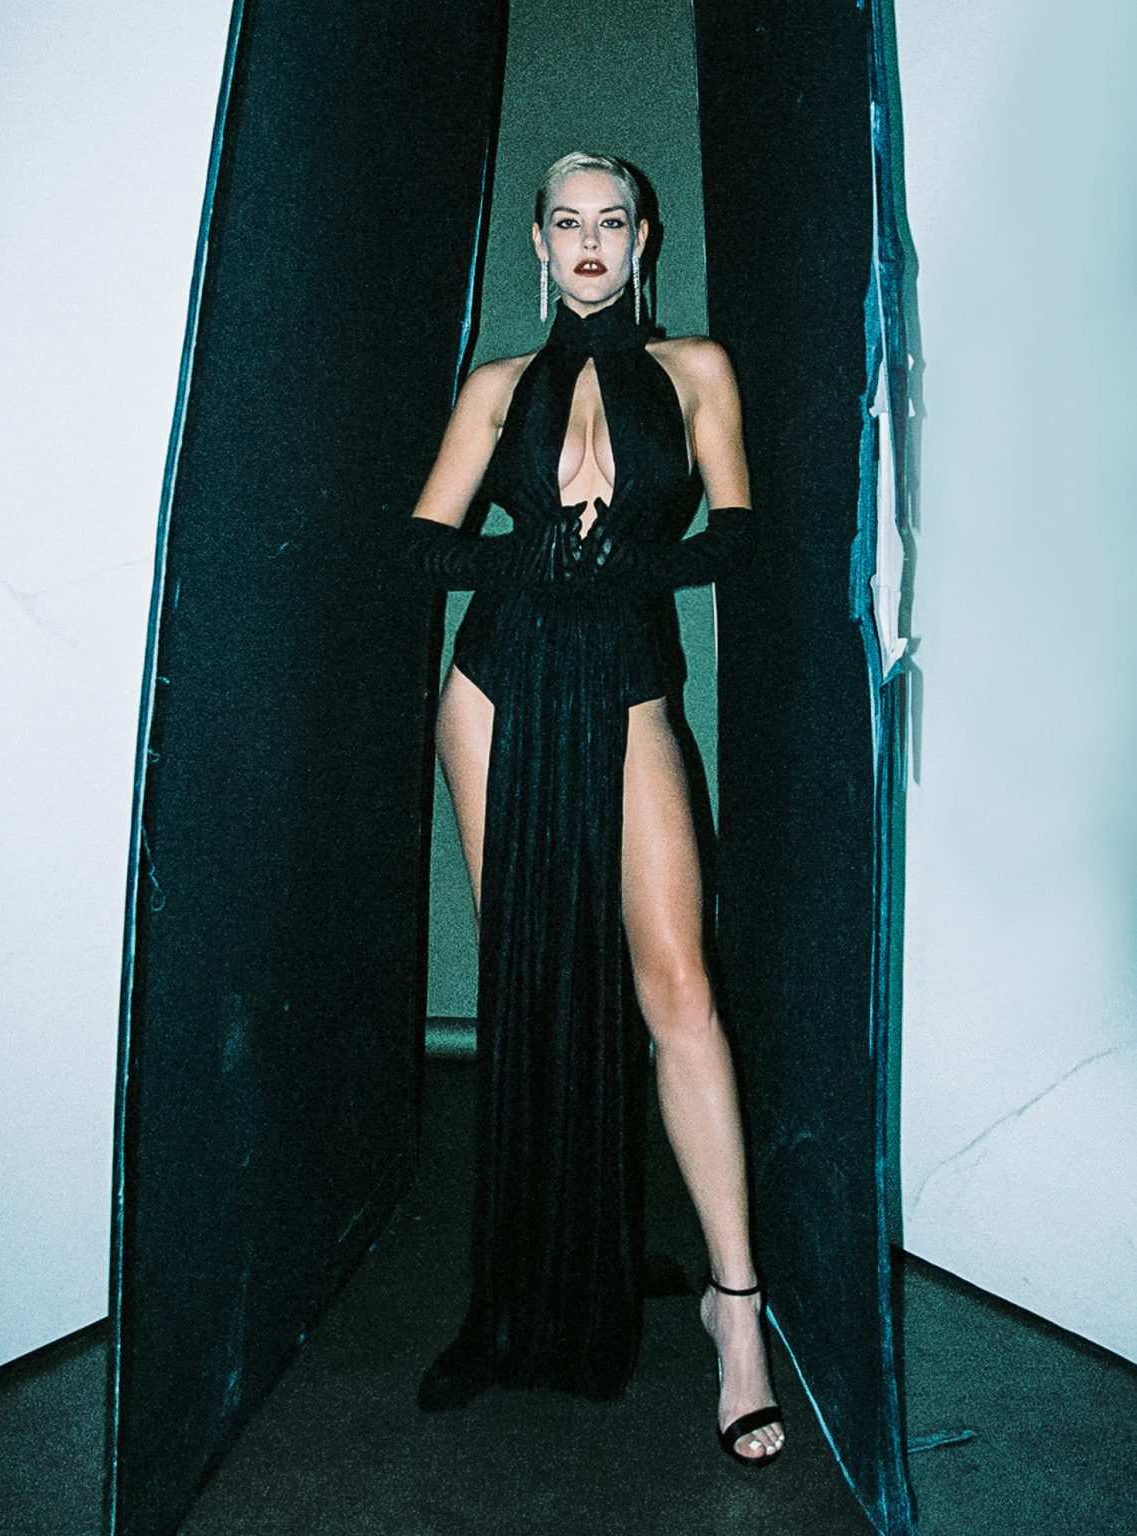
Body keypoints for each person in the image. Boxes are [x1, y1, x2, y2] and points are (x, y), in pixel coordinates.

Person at [400, 151, 784, 1465]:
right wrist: (523, 559)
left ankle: (738, 1316)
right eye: (565, 222)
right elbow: (422, 542)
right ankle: (515, 1296)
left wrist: (640, 559)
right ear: (537, 242)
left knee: (677, 986)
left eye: (610, 221)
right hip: (496, 690)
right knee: (529, 982)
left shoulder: (697, 370)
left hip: (623, 683)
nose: (588, 242)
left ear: (641, 239)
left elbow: (739, 533)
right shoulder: (496, 386)